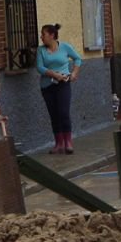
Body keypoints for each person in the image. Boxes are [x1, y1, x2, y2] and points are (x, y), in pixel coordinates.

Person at [36, 24, 84, 154]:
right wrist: (54, 74)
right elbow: (39, 67)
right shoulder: (40, 50)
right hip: (47, 86)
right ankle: (58, 143)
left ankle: (68, 141)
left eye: (43, 34)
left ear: (52, 35)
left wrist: (74, 73)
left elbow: (77, 58)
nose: (41, 37)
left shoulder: (64, 47)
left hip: (63, 84)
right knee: (54, 114)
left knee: (63, 112)